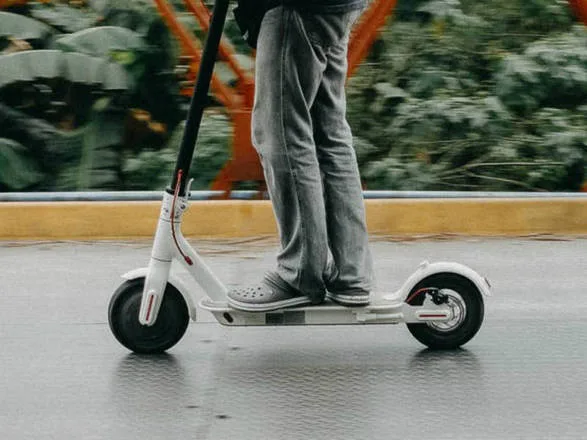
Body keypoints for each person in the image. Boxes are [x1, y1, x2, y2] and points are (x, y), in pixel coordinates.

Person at [227, 0, 374, 312]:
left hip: (298, 6)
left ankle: (301, 274)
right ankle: (352, 275)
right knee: (328, 133)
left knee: (280, 130)